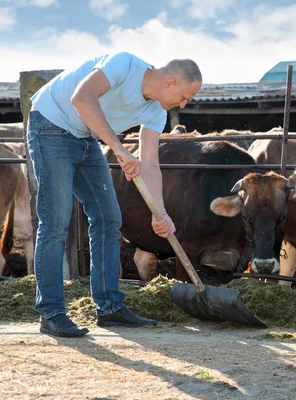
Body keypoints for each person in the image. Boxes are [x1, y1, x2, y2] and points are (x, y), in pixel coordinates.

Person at [27, 52, 202, 337]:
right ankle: (51, 312)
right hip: (50, 126)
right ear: (170, 82)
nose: (182, 105)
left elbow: (150, 165)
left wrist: (161, 213)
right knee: (56, 223)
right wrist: (119, 149)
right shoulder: (124, 64)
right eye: (184, 97)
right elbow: (81, 98)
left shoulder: (156, 112)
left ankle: (109, 308)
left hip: (85, 137)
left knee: (109, 220)